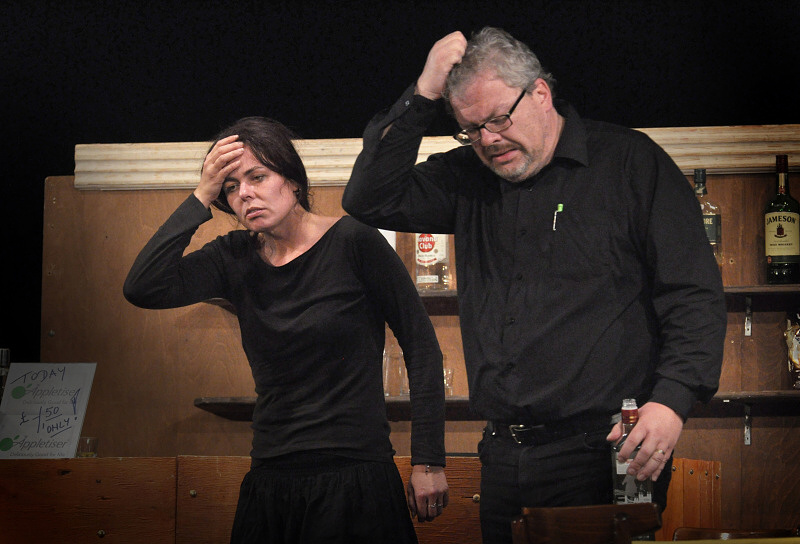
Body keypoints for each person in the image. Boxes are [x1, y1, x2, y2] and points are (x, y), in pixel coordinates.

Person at [342, 27, 726, 543]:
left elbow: (694, 294)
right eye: (471, 130)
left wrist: (672, 401)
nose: (488, 140)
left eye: (498, 119)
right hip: (504, 455)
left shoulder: (629, 162)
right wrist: (423, 93)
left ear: (540, 93)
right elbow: (367, 198)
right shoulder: (468, 177)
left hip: (606, 449)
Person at [123, 116, 449, 543]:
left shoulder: (354, 241)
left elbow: (422, 347)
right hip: (271, 476)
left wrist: (429, 461)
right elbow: (143, 287)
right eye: (230, 187)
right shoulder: (233, 255)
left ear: (293, 180)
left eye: (257, 176)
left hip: (355, 474)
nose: (245, 193)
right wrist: (201, 194)